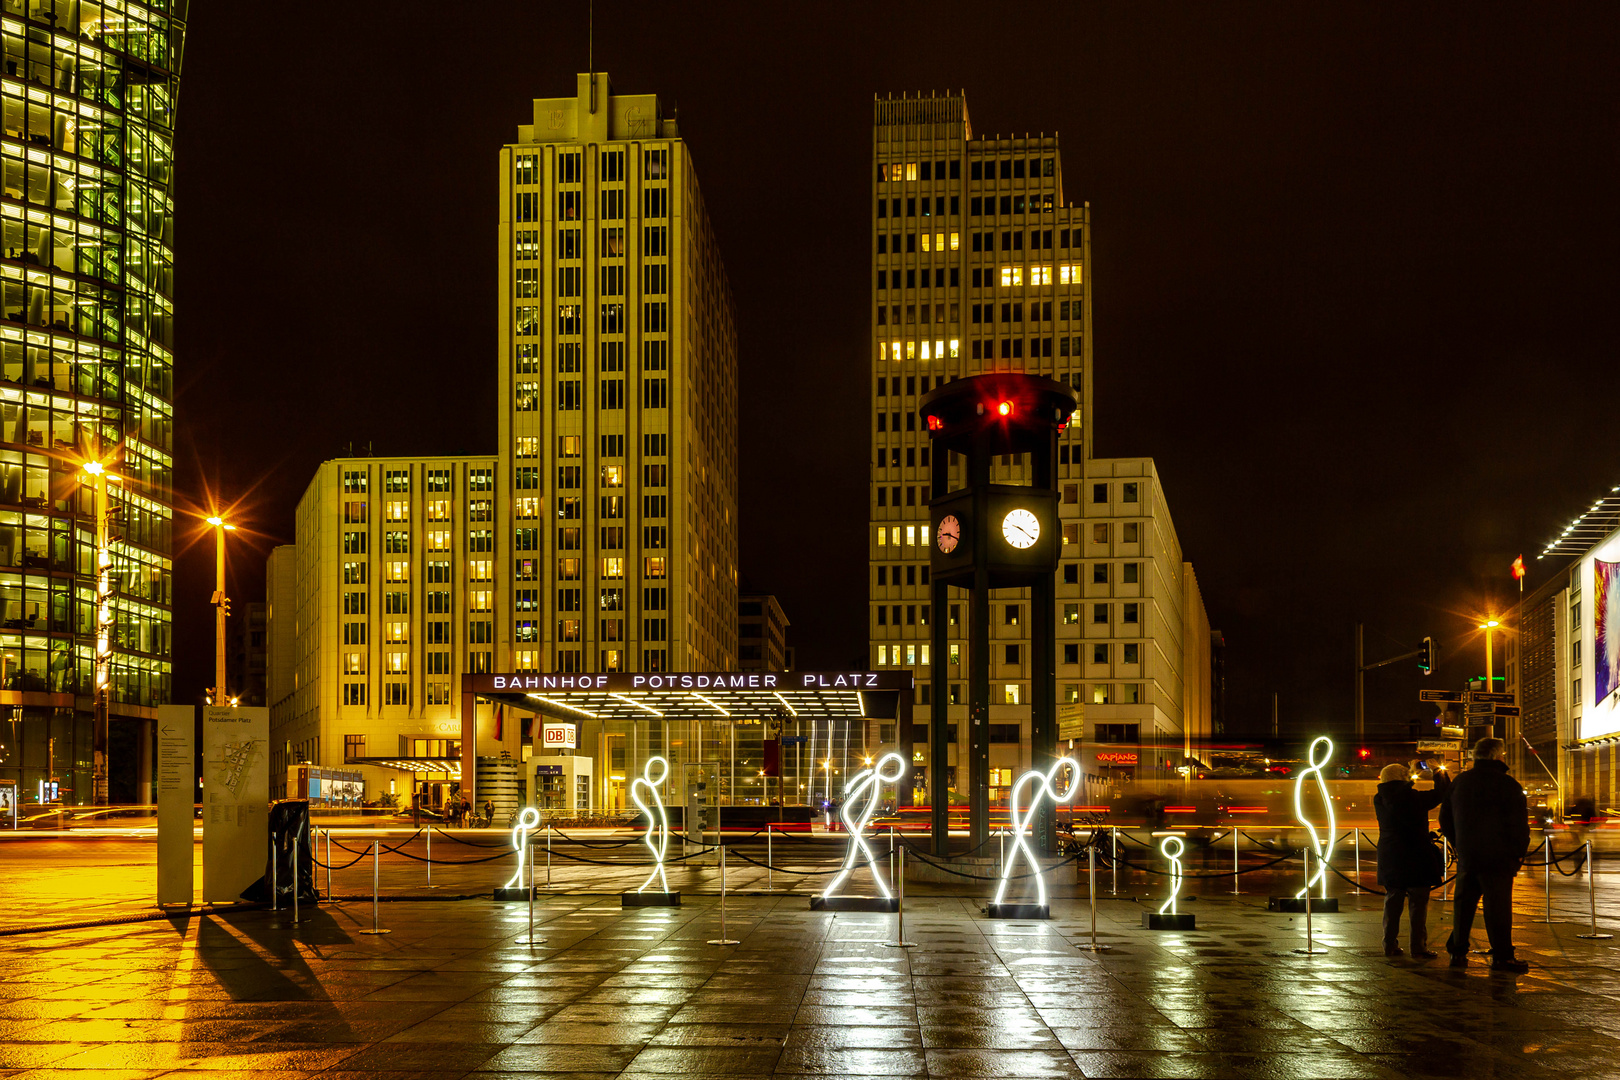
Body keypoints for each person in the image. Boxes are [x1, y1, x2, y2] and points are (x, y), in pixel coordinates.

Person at [1440, 737, 1532, 972]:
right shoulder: (1507, 784)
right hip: (1498, 857)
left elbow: (1445, 819)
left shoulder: (1460, 782)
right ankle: (1502, 956)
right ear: (1497, 756)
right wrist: (1517, 854)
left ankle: (1457, 954)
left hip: (1469, 856)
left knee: (1463, 906)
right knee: (1498, 908)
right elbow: (1519, 824)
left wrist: (1459, 844)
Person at [1374, 761, 1450, 958]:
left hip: (1390, 855)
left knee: (1392, 902)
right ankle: (1418, 947)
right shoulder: (1414, 798)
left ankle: (1389, 945)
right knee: (1418, 905)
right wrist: (1436, 770)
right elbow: (1443, 792)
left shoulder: (1379, 798)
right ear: (1403, 778)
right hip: (1416, 856)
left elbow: (1398, 799)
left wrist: (1410, 777)